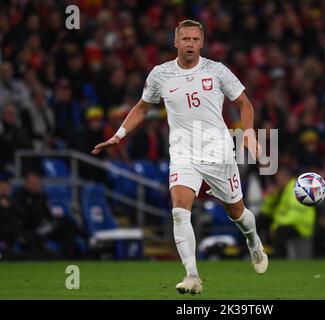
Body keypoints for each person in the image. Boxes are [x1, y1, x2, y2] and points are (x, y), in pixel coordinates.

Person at [92, 20, 268, 294]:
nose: (190, 44)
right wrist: (119, 135)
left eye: (195, 39)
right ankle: (192, 276)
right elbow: (141, 108)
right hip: (183, 152)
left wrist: (249, 133)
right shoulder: (161, 74)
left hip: (217, 151)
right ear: (175, 42)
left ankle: (254, 242)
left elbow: (244, 103)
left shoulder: (217, 70)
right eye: (185, 39)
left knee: (237, 212)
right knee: (179, 209)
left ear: (202, 42)